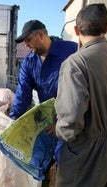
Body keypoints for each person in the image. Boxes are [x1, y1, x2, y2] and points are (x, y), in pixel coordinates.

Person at [52, 3, 107, 186]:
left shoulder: (76, 63)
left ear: (75, 29)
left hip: (87, 152)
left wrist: (59, 131)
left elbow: (71, 119)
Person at [9, 20, 78, 185]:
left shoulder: (71, 50)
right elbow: (23, 93)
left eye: (28, 40)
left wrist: (63, 124)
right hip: (47, 117)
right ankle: (44, 180)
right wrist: (13, 119)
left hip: (71, 116)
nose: (26, 45)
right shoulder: (29, 62)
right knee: (40, 158)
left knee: (65, 160)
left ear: (40, 34)